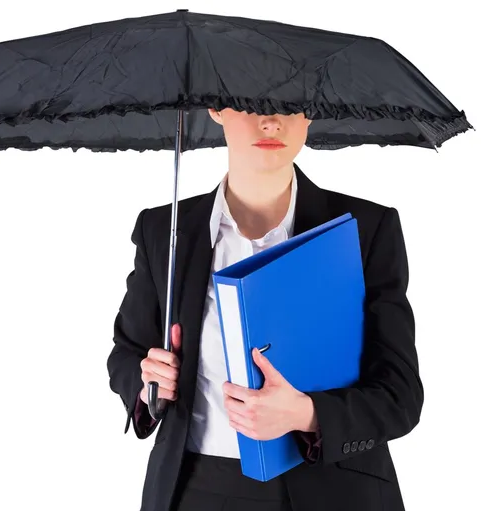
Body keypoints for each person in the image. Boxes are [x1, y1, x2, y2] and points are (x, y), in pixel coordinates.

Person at [106, 108, 423, 511]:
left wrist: (307, 414)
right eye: (252, 103)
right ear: (216, 110)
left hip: (332, 491)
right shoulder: (162, 231)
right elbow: (127, 354)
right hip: (192, 490)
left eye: (291, 104)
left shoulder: (366, 228)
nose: (272, 122)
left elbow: (400, 396)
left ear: (311, 116)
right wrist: (149, 382)